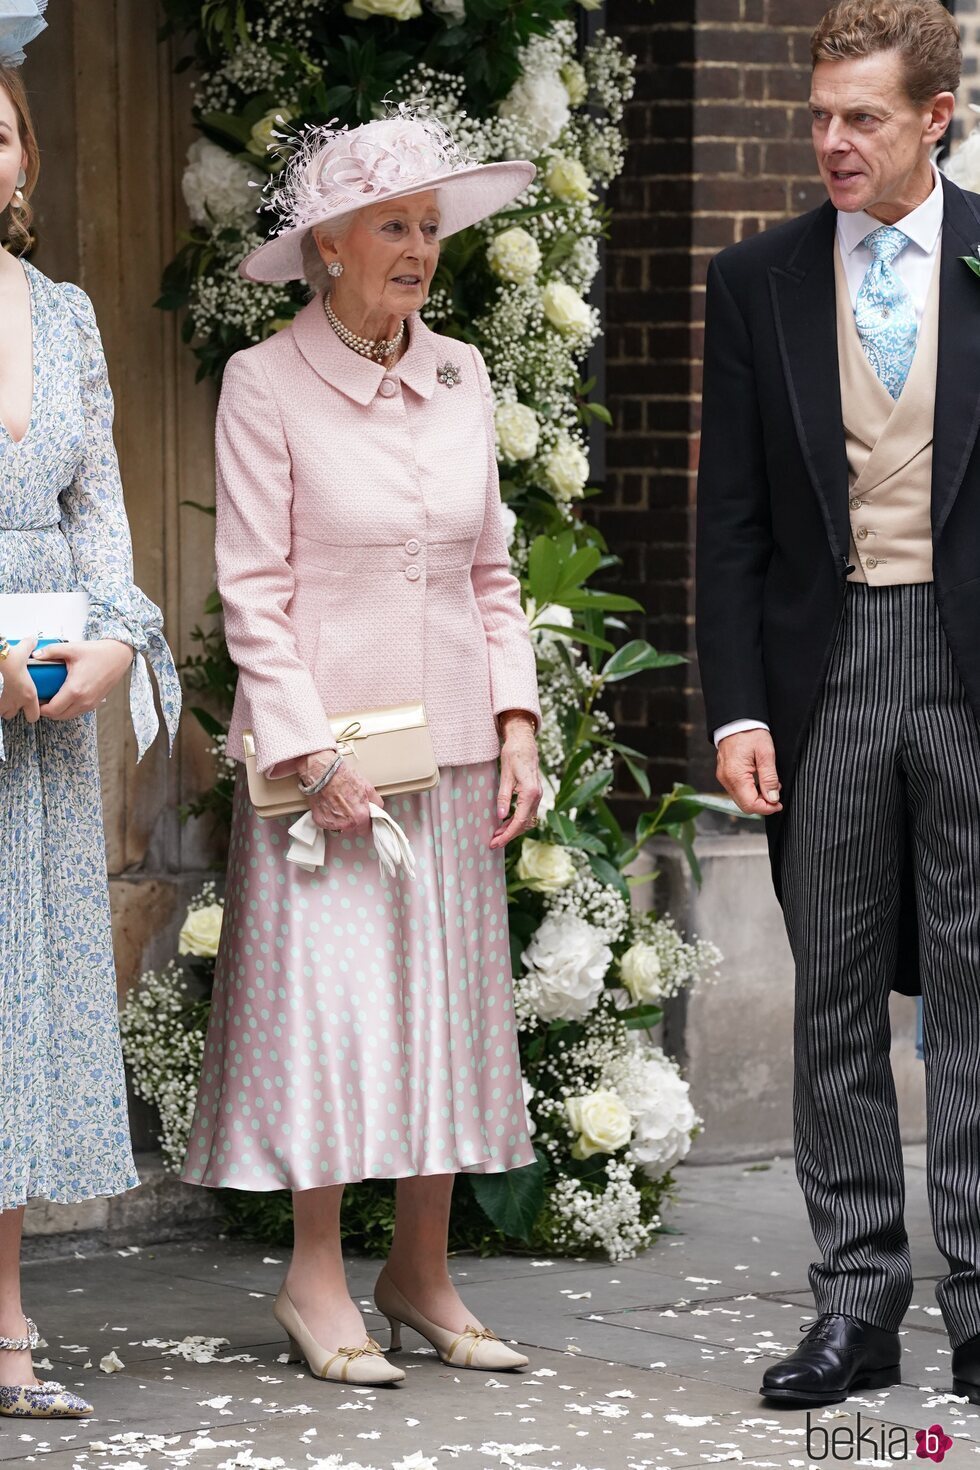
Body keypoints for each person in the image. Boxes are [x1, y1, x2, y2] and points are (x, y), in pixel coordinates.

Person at [180, 109, 543, 1388]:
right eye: (393, 224)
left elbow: (491, 574)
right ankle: (317, 1275)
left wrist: (515, 723)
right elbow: (251, 594)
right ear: (323, 246)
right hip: (322, 760)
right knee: (332, 1021)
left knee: (441, 1012)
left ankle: (422, 1273)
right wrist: (305, 752)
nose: (417, 249)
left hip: (447, 743)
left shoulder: (460, 374)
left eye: (430, 226)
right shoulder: (264, 382)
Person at [696, 0, 980, 1409]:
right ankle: (856, 1305)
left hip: (972, 666)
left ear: (937, 114)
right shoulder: (755, 281)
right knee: (834, 1007)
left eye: (861, 116)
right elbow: (730, 523)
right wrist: (737, 708)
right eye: (819, 114)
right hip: (827, 673)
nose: (831, 142)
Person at [0, 15, 181, 1422]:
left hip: (45, 719)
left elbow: (100, 515)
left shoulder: (61, 315)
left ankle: (6, 1320)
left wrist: (115, 642)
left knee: (16, 1014)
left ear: (25, 157)